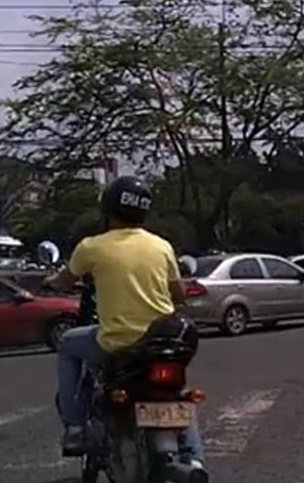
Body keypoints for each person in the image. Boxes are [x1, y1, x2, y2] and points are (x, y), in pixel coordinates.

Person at [43, 175, 205, 465]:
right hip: (162, 340)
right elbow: (178, 294)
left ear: (108, 211)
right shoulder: (162, 246)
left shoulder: (92, 247)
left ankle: (76, 426)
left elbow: (65, 280)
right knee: (174, 394)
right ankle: (194, 461)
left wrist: (51, 281)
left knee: (67, 345)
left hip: (118, 342)